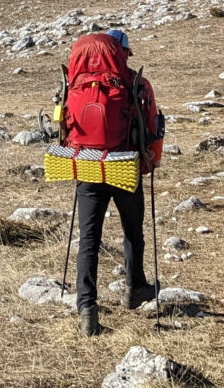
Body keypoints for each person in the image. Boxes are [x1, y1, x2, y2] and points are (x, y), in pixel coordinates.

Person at [72, 29, 158, 336]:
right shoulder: (136, 84)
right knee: (133, 231)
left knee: (88, 239)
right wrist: (149, 163)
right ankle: (135, 288)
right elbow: (152, 127)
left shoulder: (75, 82)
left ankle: (86, 308)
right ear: (123, 54)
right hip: (124, 164)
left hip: (87, 166)